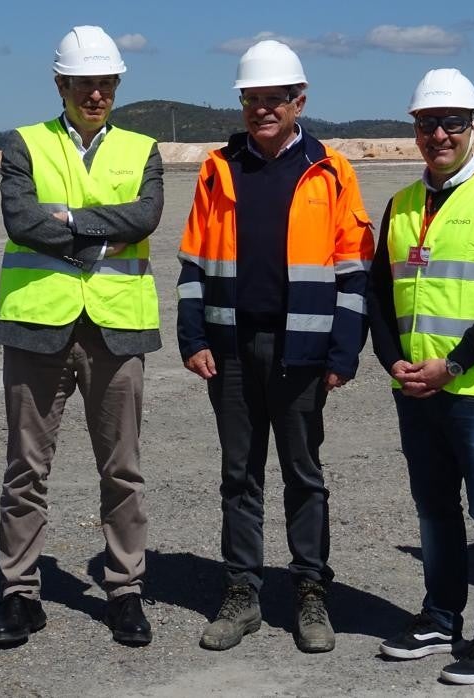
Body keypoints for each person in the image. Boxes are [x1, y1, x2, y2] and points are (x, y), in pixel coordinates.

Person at [176, 40, 375, 653]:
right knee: (238, 475)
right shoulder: (218, 168)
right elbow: (193, 260)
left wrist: (343, 351)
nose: (263, 109)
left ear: (299, 101)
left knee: (303, 475)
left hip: (302, 351)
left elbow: (353, 269)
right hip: (230, 348)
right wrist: (192, 335)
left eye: (274, 99)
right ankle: (242, 593)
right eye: (252, 99)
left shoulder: (332, 170)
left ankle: (311, 592)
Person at [0, 25, 163, 649]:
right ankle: (18, 593)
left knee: (122, 470)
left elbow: (144, 217)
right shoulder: (23, 144)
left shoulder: (142, 149)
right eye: (84, 82)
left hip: (117, 330)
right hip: (38, 327)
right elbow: (21, 220)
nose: (95, 92)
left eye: (105, 82)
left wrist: (66, 220)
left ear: (116, 85)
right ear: (60, 84)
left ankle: (124, 591)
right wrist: (96, 232)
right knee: (26, 468)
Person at [368, 68, 474, 685]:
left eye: (451, 123)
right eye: (426, 123)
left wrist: (455, 365)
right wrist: (395, 363)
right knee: (434, 510)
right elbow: (379, 297)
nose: (438, 134)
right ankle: (440, 620)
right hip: (416, 389)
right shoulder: (400, 204)